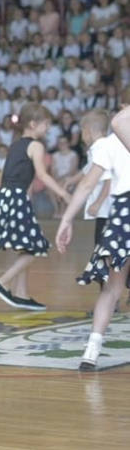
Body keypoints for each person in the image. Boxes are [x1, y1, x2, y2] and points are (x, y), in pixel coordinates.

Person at [56, 110, 127, 369]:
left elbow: (87, 184)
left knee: (111, 289)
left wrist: (66, 219)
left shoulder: (108, 143)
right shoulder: (114, 140)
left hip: (122, 213)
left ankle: (91, 350)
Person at [0, 104, 71, 311]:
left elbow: (0, 180)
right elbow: (42, 175)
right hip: (15, 198)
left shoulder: (14, 145)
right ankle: (3, 283)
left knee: (25, 246)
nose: (48, 128)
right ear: (33, 124)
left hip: (2, 198)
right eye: (46, 124)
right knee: (35, 247)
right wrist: (64, 193)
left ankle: (21, 294)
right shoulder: (36, 145)